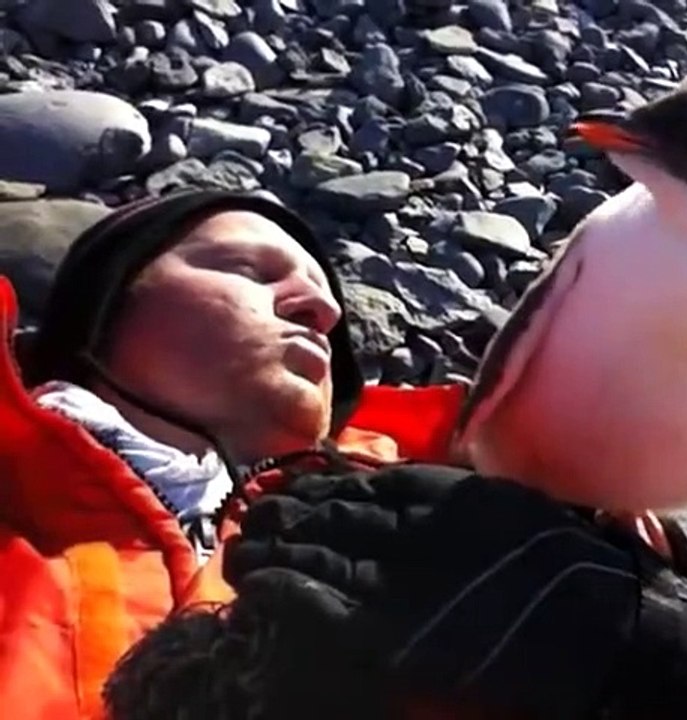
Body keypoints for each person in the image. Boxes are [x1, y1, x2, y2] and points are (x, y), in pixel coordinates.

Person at [0, 188, 687, 720]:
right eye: (248, 269)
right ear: (98, 323)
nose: (321, 304)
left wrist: (685, 668)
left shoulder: (501, 510)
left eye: (322, 294)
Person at [0, 189, 465, 720]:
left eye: (328, 305)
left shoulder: (458, 517)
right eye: (251, 269)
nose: (326, 311)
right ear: (106, 306)